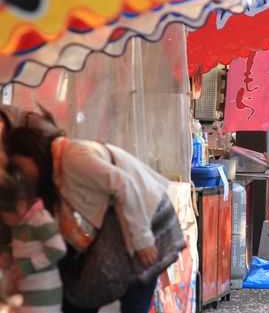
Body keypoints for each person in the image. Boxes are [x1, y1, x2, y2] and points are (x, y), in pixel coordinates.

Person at [3, 123, 185, 313]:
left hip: (147, 216)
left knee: (126, 296)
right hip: (126, 220)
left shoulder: (72, 156)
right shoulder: (56, 173)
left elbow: (124, 185)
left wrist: (143, 240)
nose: (21, 175)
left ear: (30, 154)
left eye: (18, 167)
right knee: (97, 292)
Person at [0, 172, 67, 312]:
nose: (5, 222)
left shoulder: (41, 220)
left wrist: (29, 265)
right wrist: (8, 253)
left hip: (44, 292)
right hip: (28, 291)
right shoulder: (20, 224)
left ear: (21, 205)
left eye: (5, 217)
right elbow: (22, 247)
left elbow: (58, 249)